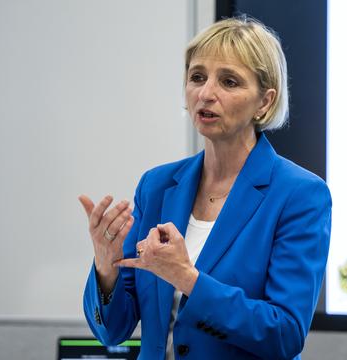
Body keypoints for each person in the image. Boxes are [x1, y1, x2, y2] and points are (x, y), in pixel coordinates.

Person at [79, 16, 331, 360]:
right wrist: (105, 266)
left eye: (228, 81)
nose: (206, 93)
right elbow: (113, 330)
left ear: (264, 102)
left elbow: (284, 334)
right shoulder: (157, 186)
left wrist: (187, 279)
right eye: (197, 77)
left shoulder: (299, 195)